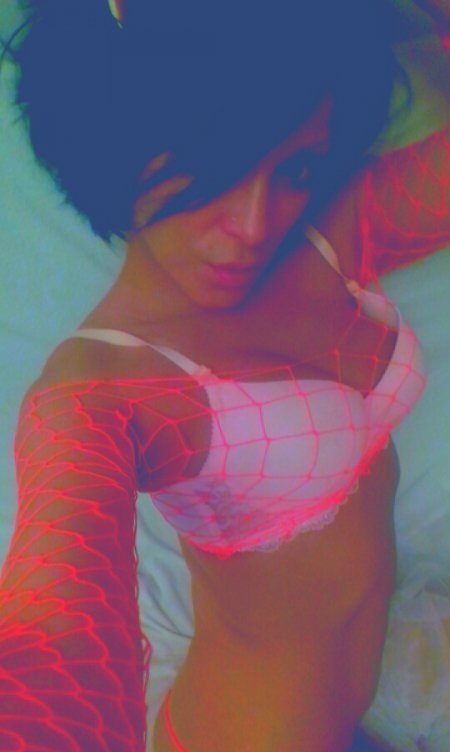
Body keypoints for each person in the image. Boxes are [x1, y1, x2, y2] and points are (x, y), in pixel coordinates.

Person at [0, 1, 428, 750]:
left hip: (354, 723)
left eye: (294, 169)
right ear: (113, 140)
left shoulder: (328, 234)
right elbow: (61, 631)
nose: (254, 225)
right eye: (210, 167)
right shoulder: (98, 390)